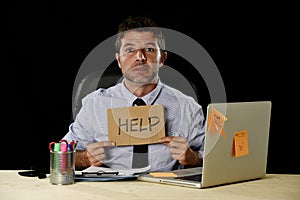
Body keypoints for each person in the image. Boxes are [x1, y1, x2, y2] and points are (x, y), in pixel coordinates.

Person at [62, 16, 206, 171]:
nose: (140, 57)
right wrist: (84, 159)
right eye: (130, 50)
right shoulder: (95, 104)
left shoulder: (187, 106)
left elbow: (216, 158)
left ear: (162, 58)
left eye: (149, 49)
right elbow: (61, 157)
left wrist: (194, 158)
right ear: (119, 60)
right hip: (110, 192)